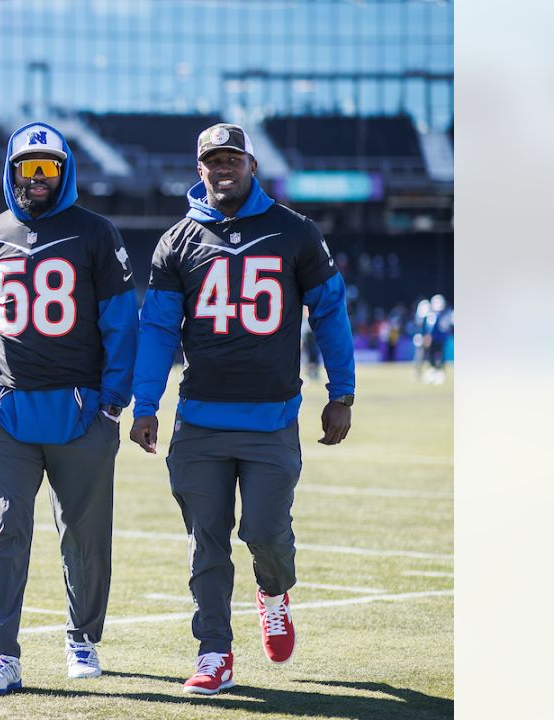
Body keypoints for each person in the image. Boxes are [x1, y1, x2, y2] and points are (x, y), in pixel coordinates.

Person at [128, 124, 355, 696]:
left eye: (233, 158)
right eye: (213, 160)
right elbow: (157, 328)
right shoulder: (178, 241)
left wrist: (342, 392)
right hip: (200, 420)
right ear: (200, 169)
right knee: (206, 542)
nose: (223, 167)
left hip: (271, 419)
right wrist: (146, 402)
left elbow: (329, 312)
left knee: (266, 534)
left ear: (251, 164)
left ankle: (274, 595)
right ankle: (214, 653)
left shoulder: (295, 232)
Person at [0, 122, 139, 695]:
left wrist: (113, 403)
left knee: (84, 535)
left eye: (48, 168)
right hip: (5, 412)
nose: (37, 179)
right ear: (11, 170)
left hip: (81, 411)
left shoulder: (95, 232)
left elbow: (120, 323)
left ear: (65, 171)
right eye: (27, 168)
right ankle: (0, 656)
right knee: (7, 529)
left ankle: (81, 637)